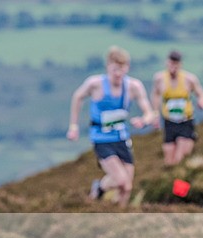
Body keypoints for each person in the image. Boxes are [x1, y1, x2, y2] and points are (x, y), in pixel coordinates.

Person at [67, 46, 156, 207]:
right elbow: (77, 97)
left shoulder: (133, 86)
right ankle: (100, 188)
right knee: (121, 180)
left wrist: (144, 120)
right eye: (114, 69)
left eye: (121, 69)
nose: (118, 74)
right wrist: (73, 125)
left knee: (127, 187)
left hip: (121, 137)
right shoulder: (95, 84)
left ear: (127, 68)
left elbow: (149, 112)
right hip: (101, 138)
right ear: (108, 66)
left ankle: (117, 214)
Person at [151, 50, 203, 166]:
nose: (173, 67)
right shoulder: (160, 79)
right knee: (169, 161)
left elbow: (201, 93)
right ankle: (170, 183)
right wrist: (155, 114)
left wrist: (202, 101)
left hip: (185, 121)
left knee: (180, 158)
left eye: (176, 64)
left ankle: (180, 181)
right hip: (169, 122)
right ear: (167, 63)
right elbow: (155, 95)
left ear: (180, 64)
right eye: (171, 63)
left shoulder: (189, 79)